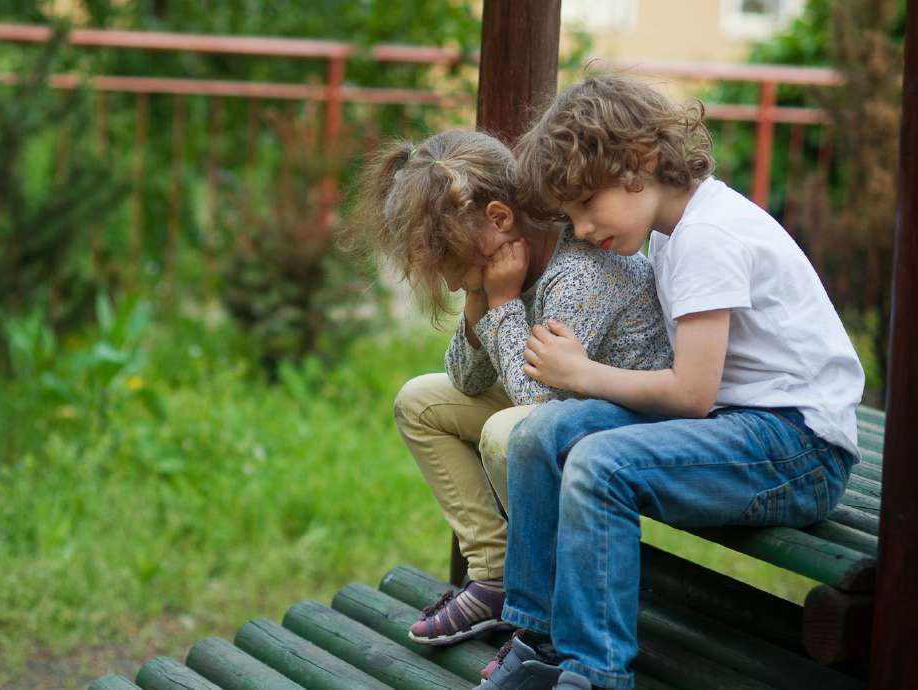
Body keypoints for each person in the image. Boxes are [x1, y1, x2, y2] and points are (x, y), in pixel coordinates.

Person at [481, 75, 865, 690]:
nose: (582, 229)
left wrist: (582, 374)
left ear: (639, 161)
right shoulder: (674, 232)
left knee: (601, 466)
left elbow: (691, 394)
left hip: (799, 451)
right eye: (571, 215)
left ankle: (593, 673)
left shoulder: (707, 237)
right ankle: (539, 638)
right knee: (541, 435)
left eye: (586, 204)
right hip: (737, 427)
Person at [349, 129, 671, 648]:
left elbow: (540, 410)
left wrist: (501, 305)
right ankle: (495, 577)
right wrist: (480, 305)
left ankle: (545, 591)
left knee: (507, 432)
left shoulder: (580, 273)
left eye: (453, 265)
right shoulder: (506, 264)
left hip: (627, 422)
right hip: (564, 408)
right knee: (420, 402)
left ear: (499, 218)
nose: (452, 284)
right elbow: (466, 380)